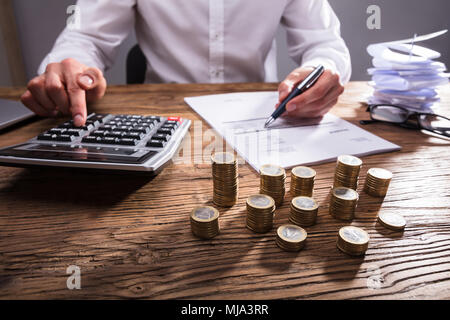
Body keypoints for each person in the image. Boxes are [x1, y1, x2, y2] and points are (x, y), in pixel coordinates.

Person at [21, 0, 351, 127]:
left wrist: (321, 69)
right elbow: (87, 37)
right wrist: (71, 69)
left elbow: (324, 44)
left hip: (260, 120)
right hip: (159, 122)